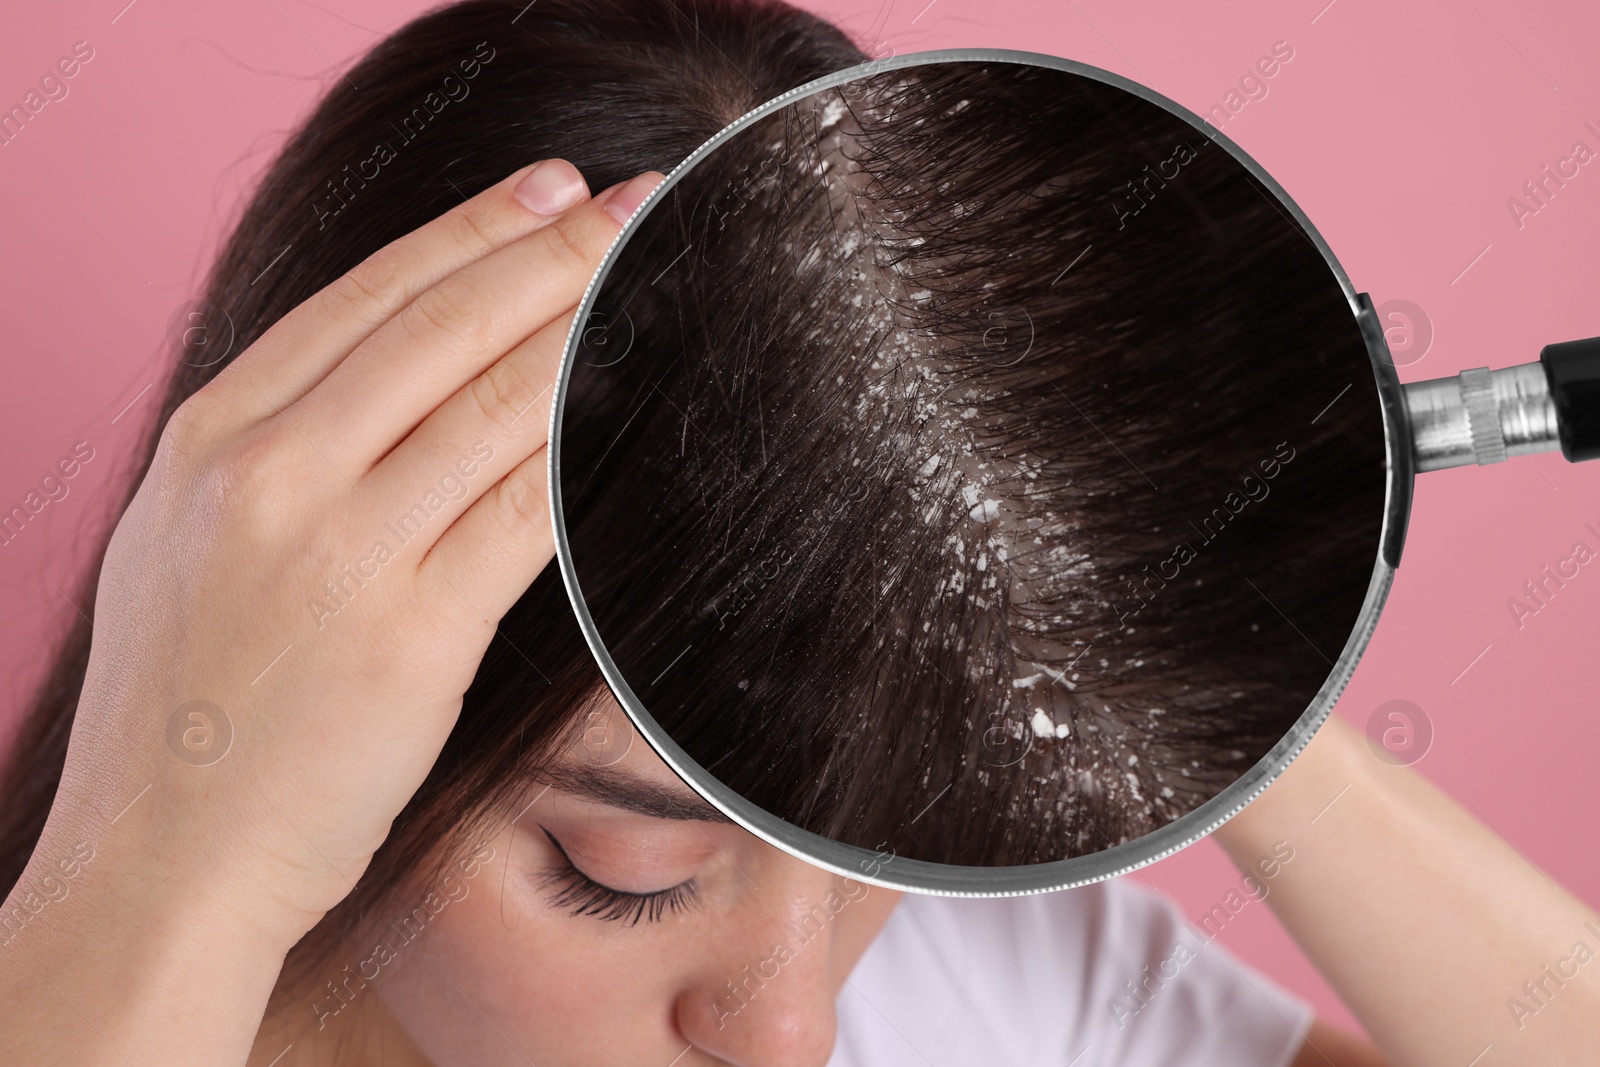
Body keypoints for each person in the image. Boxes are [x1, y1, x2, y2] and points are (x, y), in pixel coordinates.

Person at [0, 1, 1594, 1065]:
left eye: (885, 833)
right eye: (619, 872)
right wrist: (156, 871)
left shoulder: (991, 982)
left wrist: (1180, 625)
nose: (791, 1031)